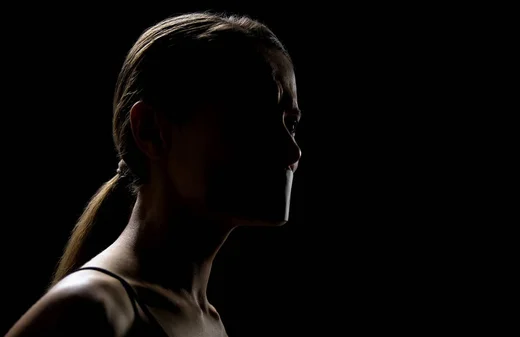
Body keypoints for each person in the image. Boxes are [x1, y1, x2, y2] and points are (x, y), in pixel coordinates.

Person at [7, 11, 301, 337]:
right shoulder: (89, 310)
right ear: (150, 131)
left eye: (291, 123)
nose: (292, 152)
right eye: (254, 120)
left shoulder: (207, 319)